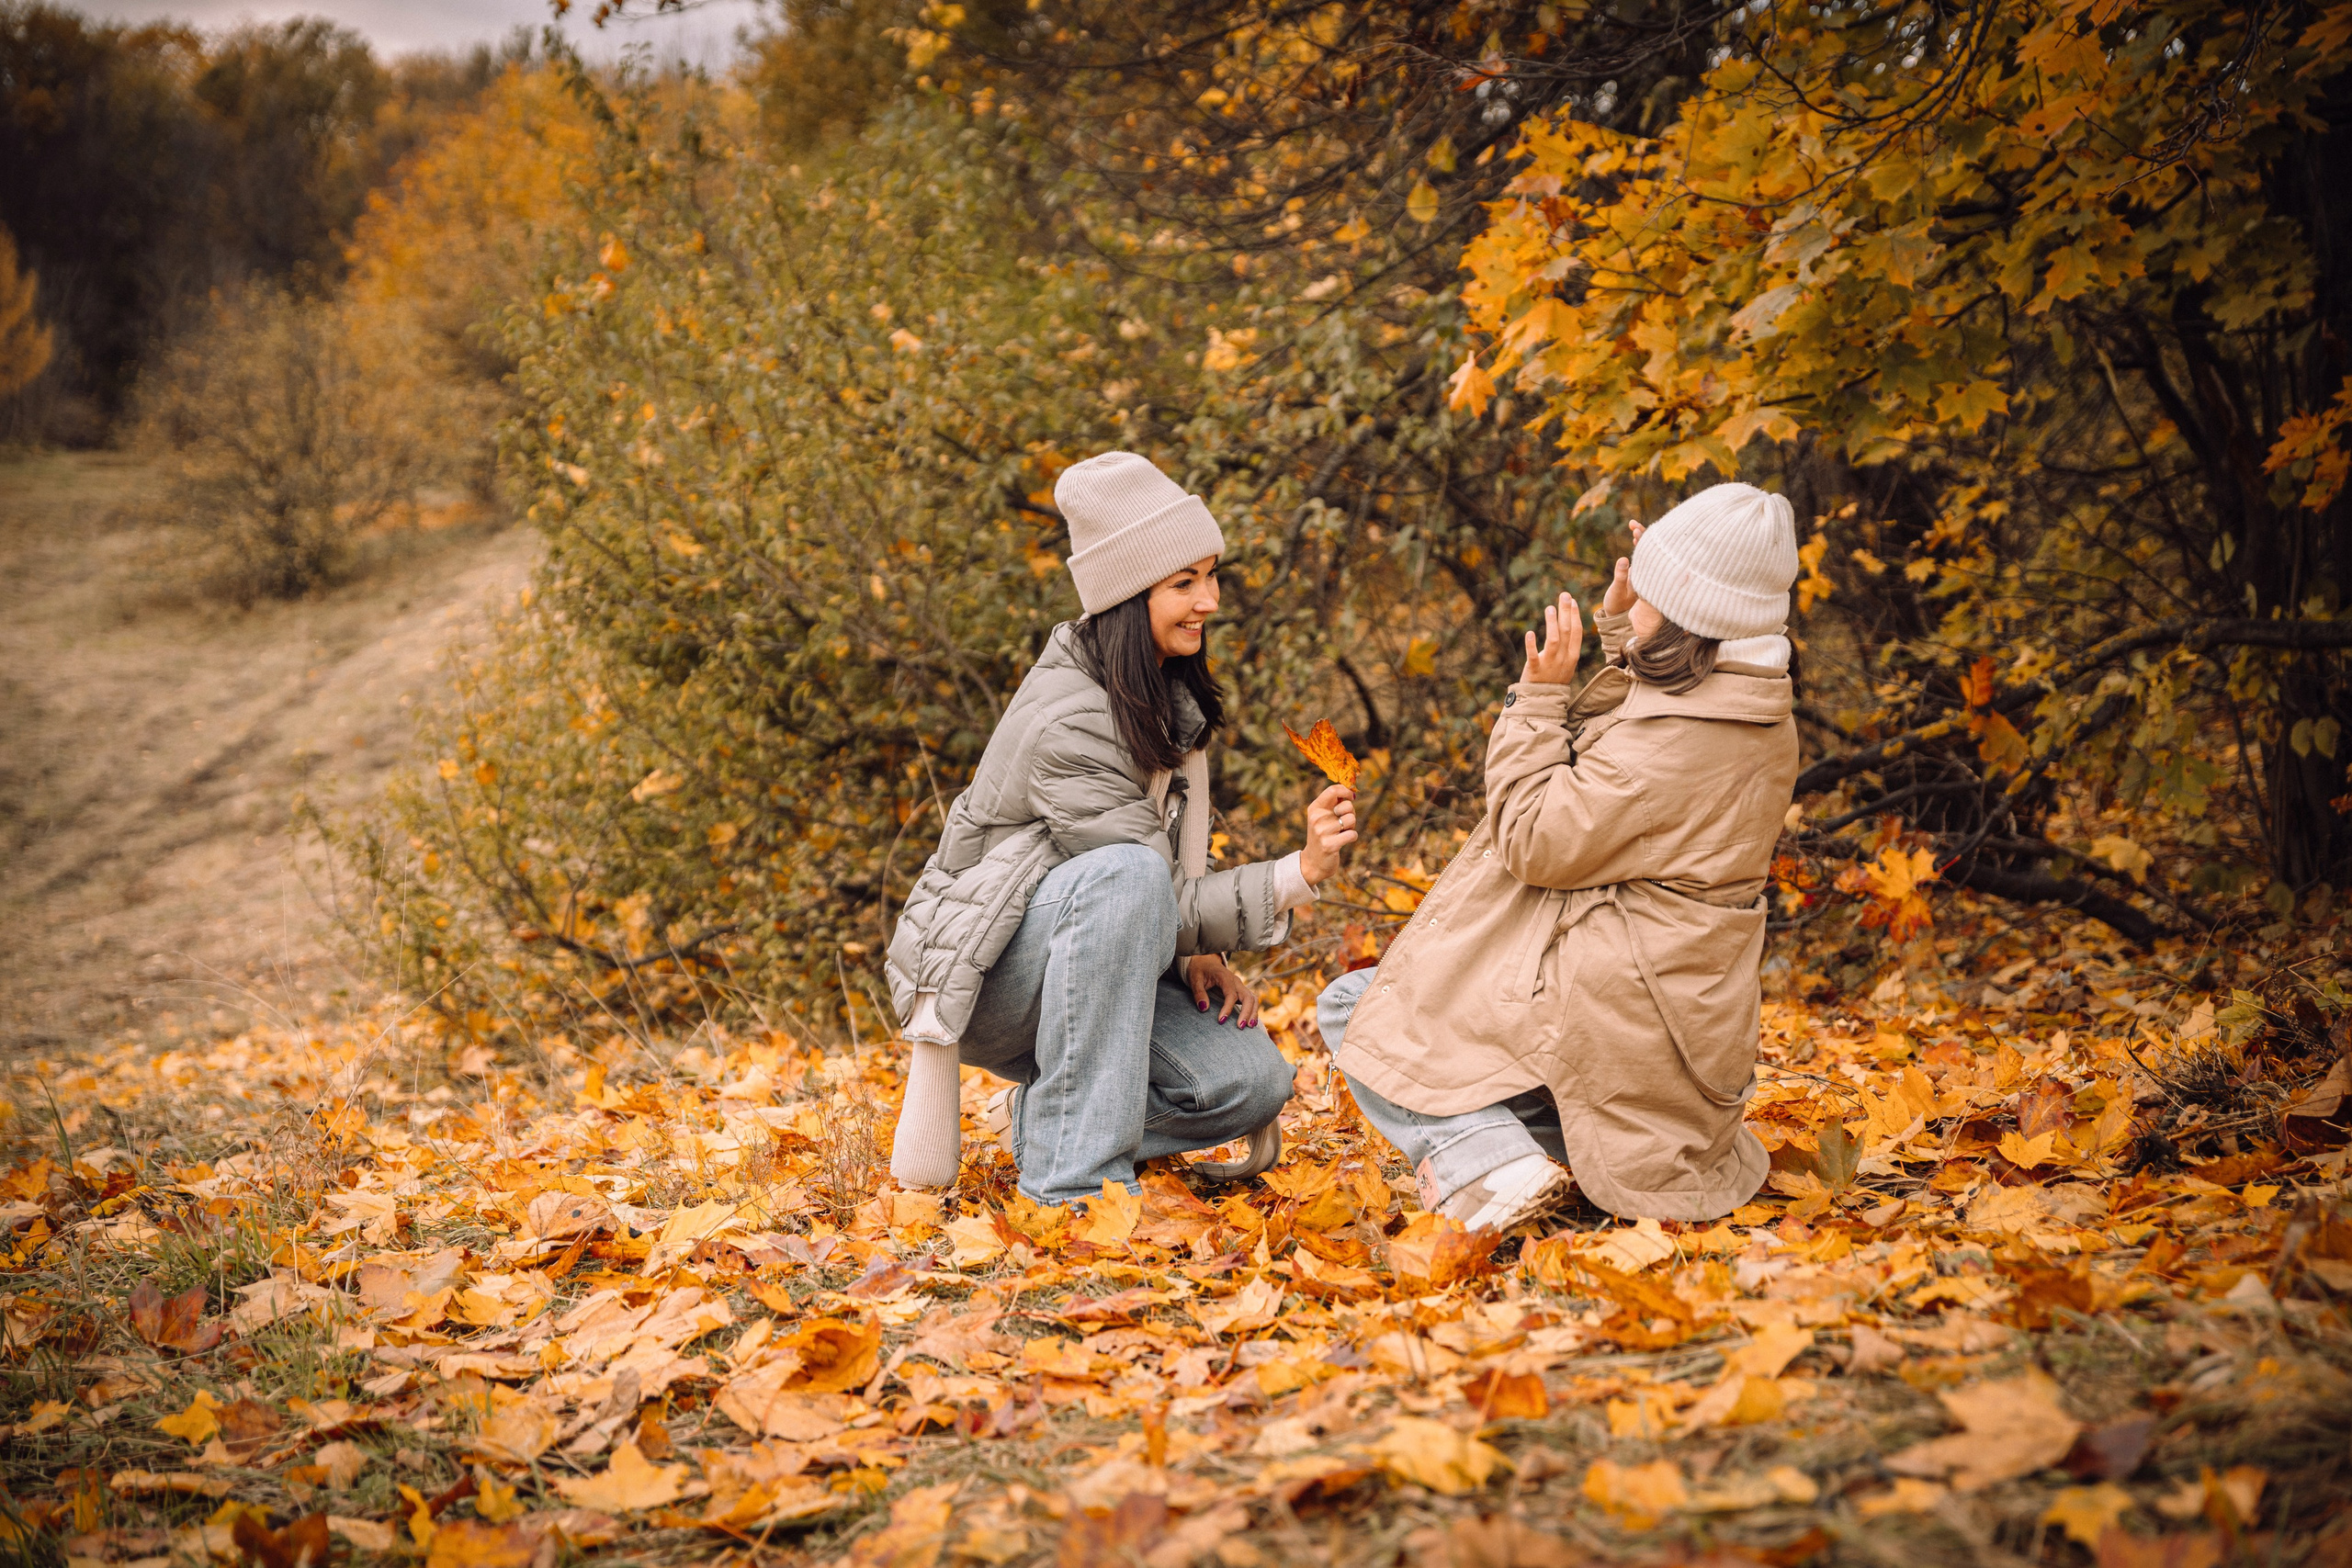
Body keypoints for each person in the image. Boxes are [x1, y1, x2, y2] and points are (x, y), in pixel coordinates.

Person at [1317, 482, 1801, 1231]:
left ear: (1687, 619)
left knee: (1359, 1011)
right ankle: (1531, 1146)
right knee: (1383, 1002)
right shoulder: (1753, 706)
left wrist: (1537, 701)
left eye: (1654, 592)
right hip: (1663, 1016)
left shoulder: (1670, 750)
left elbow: (1534, 836)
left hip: (1617, 1012)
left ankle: (1484, 1161)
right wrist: (1625, 623)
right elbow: (1656, 710)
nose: (1635, 597)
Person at [885, 451, 1358, 1204]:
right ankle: (1073, 1185)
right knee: (1127, 877)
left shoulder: (1163, 701)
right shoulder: (1071, 717)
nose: (1209, 599)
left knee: (1250, 1082)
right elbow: (1142, 885)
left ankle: (1055, 1118)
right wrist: (1296, 872)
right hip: (991, 975)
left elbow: (1158, 898)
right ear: (1127, 595)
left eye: (1210, 575)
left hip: (1096, 950)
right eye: (1184, 583)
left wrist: (1194, 952)